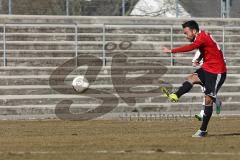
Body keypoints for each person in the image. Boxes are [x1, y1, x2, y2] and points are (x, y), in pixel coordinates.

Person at [162, 20, 227, 137]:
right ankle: (176, 95)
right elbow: (207, 48)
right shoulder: (202, 36)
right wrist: (200, 58)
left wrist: (171, 51)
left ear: (194, 31)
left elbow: (191, 47)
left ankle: (203, 130)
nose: (186, 36)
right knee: (192, 77)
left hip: (216, 72)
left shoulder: (201, 37)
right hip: (207, 68)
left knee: (208, 100)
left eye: (186, 33)